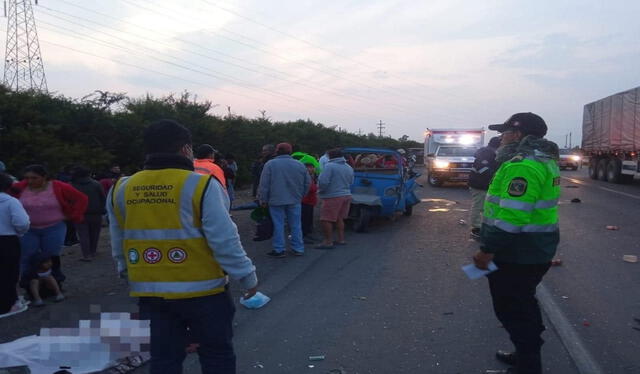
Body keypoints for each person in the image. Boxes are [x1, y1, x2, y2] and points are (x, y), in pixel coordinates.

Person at [107, 119, 258, 374]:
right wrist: (246, 276)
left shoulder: (121, 188)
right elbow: (224, 239)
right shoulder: (201, 185)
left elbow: (119, 239)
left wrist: (126, 271)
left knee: (164, 358)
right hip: (204, 292)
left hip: (150, 292)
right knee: (216, 354)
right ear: (186, 149)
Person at [474, 112, 560, 374]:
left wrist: (487, 250)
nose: (500, 138)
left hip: (517, 253)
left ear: (519, 135)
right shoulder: (543, 160)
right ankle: (524, 354)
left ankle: (528, 366)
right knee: (523, 304)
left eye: (505, 133)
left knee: (513, 309)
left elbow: (512, 217)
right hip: (533, 249)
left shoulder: (521, 165)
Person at [11, 165, 88, 281]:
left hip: (54, 227)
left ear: (44, 177)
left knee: (51, 256)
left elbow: (81, 198)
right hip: (28, 229)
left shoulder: (59, 186)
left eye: (34, 178)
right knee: (27, 256)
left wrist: (74, 215)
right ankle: (28, 284)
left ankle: (55, 283)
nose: (30, 181)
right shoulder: (19, 188)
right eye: (27, 178)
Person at [258, 142, 310, 258]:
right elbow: (307, 182)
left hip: (276, 200)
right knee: (296, 225)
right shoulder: (299, 165)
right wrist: (301, 195)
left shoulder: (270, 164)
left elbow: (264, 184)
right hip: (294, 199)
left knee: (278, 224)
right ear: (290, 151)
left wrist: (263, 199)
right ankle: (298, 248)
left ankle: (279, 249)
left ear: (277, 151)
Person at [0, 173, 30, 317]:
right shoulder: (11, 202)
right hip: (7, 239)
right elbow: (22, 222)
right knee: (9, 272)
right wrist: (20, 232)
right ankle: (9, 304)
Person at [316, 149, 354, 249]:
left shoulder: (329, 166)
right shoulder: (348, 167)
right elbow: (351, 181)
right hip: (346, 195)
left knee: (326, 219)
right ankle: (341, 239)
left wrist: (320, 191)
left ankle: (328, 241)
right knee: (339, 218)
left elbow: (323, 182)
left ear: (330, 156)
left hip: (332, 196)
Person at [468, 136, 502, 239]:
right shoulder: (486, 154)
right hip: (479, 185)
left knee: (484, 207)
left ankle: (481, 226)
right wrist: (497, 176)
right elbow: (483, 169)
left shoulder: (488, 152)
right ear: (498, 145)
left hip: (482, 184)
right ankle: (476, 228)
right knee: (478, 206)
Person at [71, 166, 106, 261]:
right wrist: (102, 209)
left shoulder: (71, 185)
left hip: (79, 213)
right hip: (95, 213)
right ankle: (93, 251)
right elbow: (103, 198)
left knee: (83, 235)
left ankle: (86, 255)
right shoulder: (96, 184)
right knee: (95, 233)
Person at [301, 163, 318, 243]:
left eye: (312, 167)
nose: (313, 169)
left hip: (310, 201)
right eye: (310, 168)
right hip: (305, 201)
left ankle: (307, 234)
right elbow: (311, 188)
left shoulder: (311, 177)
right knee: (305, 219)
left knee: (308, 219)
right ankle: (303, 236)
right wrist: (316, 188)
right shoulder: (305, 177)